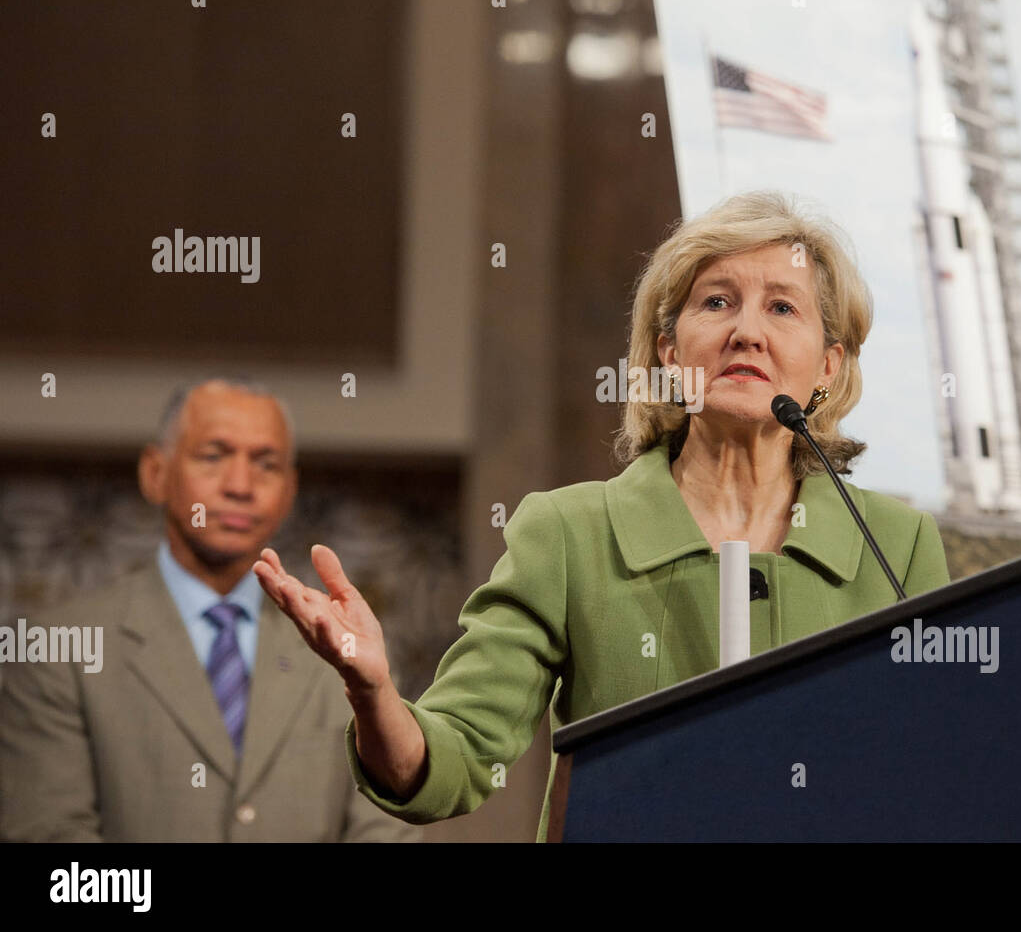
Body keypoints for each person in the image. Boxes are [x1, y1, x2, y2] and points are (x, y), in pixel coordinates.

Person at [255, 192, 951, 842]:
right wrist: (374, 691)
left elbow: (944, 772)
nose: (746, 332)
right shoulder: (570, 533)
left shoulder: (894, 546)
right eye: (717, 302)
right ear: (671, 354)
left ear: (828, 365)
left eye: (781, 308)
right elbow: (454, 764)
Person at [0, 379, 418, 842]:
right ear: (155, 473)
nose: (240, 486)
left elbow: (385, 830)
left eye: (267, 464)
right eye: (213, 456)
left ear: (290, 488)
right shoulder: (59, 650)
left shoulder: (346, 649)